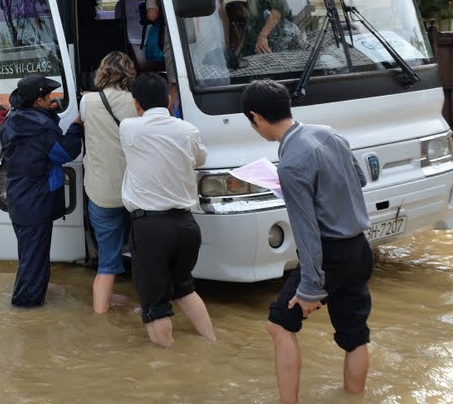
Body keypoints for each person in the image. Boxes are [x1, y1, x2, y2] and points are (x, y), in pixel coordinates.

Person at [242, 79, 373, 404]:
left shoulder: (291, 164)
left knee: (279, 324)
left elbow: (307, 231)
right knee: (355, 334)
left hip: (330, 254)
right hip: (359, 248)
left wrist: (311, 288)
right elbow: (358, 179)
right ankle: (355, 397)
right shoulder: (329, 133)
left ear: (257, 117)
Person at [120, 73, 215, 348]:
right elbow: (200, 158)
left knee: (155, 303)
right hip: (186, 226)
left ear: (137, 104)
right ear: (170, 100)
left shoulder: (129, 127)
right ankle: (212, 344)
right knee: (184, 288)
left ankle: (169, 366)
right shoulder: (188, 130)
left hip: (150, 229)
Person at [0, 74, 84, 308]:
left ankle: (28, 304)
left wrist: (49, 114)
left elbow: (35, 145)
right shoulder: (43, 128)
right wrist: (76, 126)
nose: (51, 99)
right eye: (48, 97)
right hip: (36, 204)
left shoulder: (12, 120)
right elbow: (65, 152)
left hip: (19, 200)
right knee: (34, 265)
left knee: (30, 259)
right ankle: (26, 313)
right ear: (38, 101)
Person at [79, 52, 137, 313]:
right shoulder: (137, 103)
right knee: (144, 254)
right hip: (135, 191)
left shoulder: (88, 102)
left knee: (107, 262)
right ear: (129, 72)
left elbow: (78, 125)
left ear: (102, 72)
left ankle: (99, 317)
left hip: (101, 191)